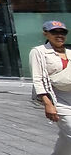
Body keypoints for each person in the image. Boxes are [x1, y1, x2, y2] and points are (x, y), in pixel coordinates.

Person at [30, 20, 71, 153]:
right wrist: (47, 103)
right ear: (46, 34)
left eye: (63, 32)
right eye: (55, 32)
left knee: (66, 139)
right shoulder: (39, 52)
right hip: (57, 98)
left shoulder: (69, 52)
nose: (59, 35)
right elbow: (38, 78)